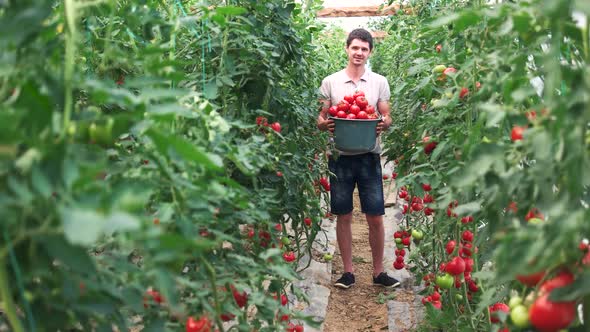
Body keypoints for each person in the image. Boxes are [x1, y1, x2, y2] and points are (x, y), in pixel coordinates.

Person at [317, 28, 399, 289]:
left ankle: (378, 273)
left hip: (368, 156)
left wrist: (383, 123)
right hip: (339, 156)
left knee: (375, 215)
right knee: (344, 215)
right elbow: (321, 117)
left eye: (364, 49)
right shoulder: (331, 82)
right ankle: (348, 272)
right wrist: (324, 125)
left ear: (370, 52)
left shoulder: (379, 82)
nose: (359, 53)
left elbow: (386, 115)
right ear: (347, 49)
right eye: (355, 48)